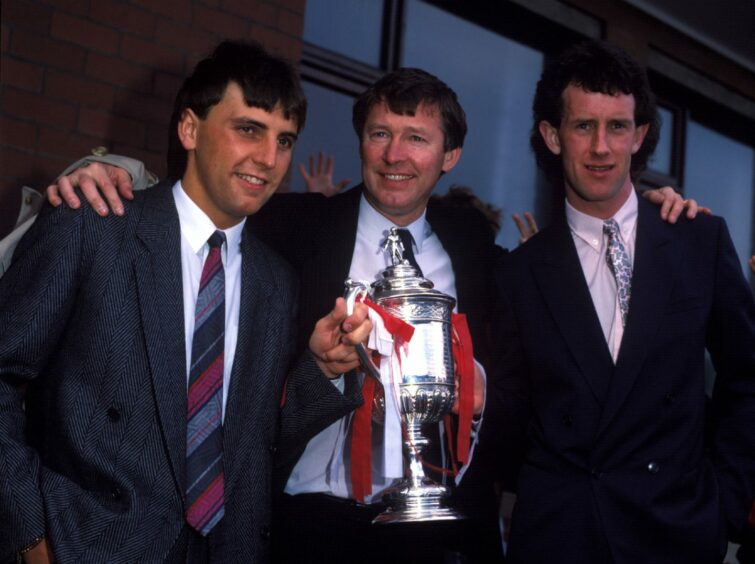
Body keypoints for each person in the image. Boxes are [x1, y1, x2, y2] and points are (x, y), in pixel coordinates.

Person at [10, 67, 699, 563]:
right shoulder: (287, 228)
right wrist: (114, 172)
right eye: (379, 134)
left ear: (449, 155)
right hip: (309, 527)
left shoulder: (488, 260)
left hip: (443, 533)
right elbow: (196, 214)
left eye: (417, 139)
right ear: (360, 142)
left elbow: (531, 385)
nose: (396, 155)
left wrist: (661, 210)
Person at [0, 40, 373, 564]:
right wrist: (29, 533)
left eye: (284, 140)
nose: (268, 159)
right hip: (89, 545)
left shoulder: (275, 281)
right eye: (248, 129)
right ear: (190, 129)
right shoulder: (95, 226)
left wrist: (322, 369)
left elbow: (253, 444)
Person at [484, 39, 755, 563]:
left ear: (640, 136)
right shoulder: (519, 274)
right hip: (560, 539)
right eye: (584, 126)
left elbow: (747, 380)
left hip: (677, 533)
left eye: (618, 127)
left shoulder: (699, 241)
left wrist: (722, 502)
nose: (601, 147)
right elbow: (511, 424)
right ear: (552, 135)